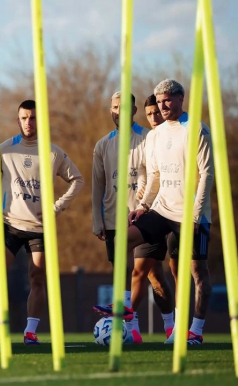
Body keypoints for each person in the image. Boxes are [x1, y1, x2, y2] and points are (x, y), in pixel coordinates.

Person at [0, 99, 84, 346]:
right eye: (24, 118)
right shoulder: (5, 149)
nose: (29, 122)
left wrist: (56, 208)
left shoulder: (53, 152)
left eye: (33, 118)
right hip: (9, 225)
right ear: (18, 120)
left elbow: (78, 180)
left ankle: (30, 332)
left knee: (37, 278)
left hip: (39, 228)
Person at [127, 79, 214, 344]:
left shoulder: (197, 128)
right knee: (123, 239)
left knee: (194, 272)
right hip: (162, 210)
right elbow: (154, 175)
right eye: (159, 100)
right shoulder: (155, 135)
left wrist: (197, 216)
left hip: (191, 215)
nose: (162, 106)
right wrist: (143, 207)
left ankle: (194, 331)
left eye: (167, 100)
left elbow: (206, 174)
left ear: (180, 99)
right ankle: (124, 310)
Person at [91, 92, 175, 343]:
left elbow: (157, 174)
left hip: (145, 217)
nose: (119, 111)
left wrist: (146, 198)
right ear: (111, 109)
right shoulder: (102, 144)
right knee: (126, 272)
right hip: (113, 219)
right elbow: (98, 185)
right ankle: (133, 332)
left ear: (134, 110)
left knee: (147, 272)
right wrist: (97, 219)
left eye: (125, 107)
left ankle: (171, 327)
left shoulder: (149, 138)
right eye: (115, 107)